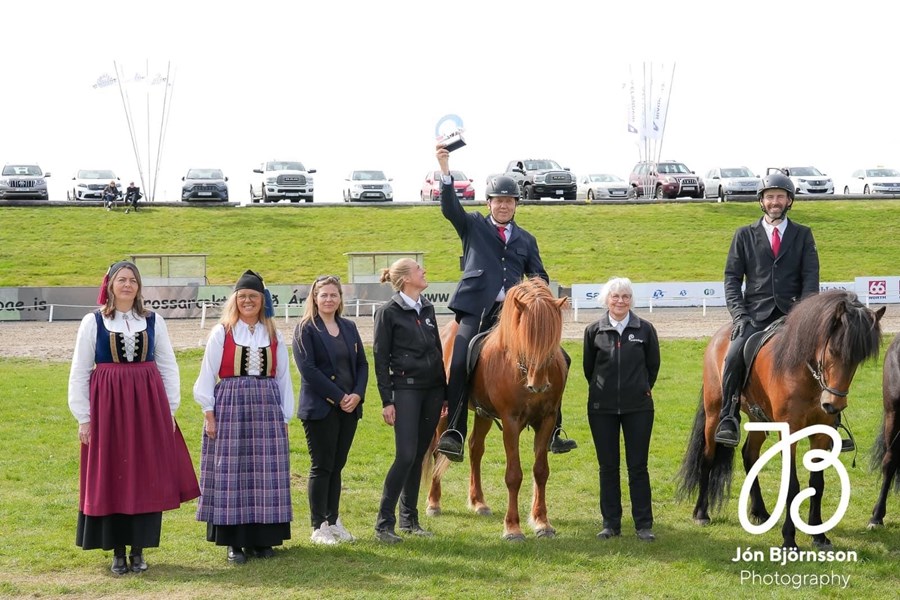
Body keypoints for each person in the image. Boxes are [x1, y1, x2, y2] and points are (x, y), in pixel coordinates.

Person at [434, 145, 576, 462]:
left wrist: (537, 296)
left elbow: (538, 274)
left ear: (515, 204)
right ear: (489, 203)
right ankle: (454, 432)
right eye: (498, 201)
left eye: (509, 201)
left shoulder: (526, 239)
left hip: (514, 314)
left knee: (560, 357)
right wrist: (445, 168)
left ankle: (555, 430)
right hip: (476, 310)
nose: (503, 205)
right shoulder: (472, 225)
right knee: (458, 361)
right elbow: (449, 209)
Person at [68, 260, 199, 575]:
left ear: (139, 287)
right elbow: (80, 369)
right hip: (107, 407)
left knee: (145, 474)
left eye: (132, 280)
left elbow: (167, 364)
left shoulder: (153, 320)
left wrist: (169, 410)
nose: (127, 285)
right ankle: (117, 551)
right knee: (112, 473)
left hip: (147, 405)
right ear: (111, 284)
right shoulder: (93, 321)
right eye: (121, 280)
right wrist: (84, 417)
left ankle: (139, 550)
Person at [193, 270, 294, 564]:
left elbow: (285, 378)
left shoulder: (274, 334)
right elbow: (206, 374)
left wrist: (285, 417)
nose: (247, 301)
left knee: (265, 472)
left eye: (253, 296)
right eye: (242, 296)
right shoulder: (222, 332)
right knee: (231, 472)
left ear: (263, 301)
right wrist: (209, 414)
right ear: (234, 301)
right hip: (231, 406)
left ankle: (263, 540)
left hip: (267, 406)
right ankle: (233, 542)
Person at [714, 173, 821, 448]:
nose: (775, 202)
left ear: (789, 201)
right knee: (734, 355)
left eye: (780, 197)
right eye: (770, 197)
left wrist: (804, 316)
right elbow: (732, 279)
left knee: (829, 354)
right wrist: (739, 314)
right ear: (762, 201)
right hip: (755, 315)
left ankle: (834, 417)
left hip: (794, 317)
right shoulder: (744, 235)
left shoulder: (803, 235)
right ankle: (728, 416)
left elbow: (811, 280)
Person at [372, 258, 445, 543]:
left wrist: (446, 393)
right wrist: (387, 400)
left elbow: (438, 350)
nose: (424, 271)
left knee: (419, 456)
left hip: (433, 391)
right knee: (405, 455)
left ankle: (409, 521)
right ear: (405, 279)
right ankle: (383, 524)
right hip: (405, 390)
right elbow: (380, 358)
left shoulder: (426, 307)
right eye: (418, 269)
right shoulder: (388, 312)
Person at [583, 277, 660, 542]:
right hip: (601, 409)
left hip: (638, 408)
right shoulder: (594, 331)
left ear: (631, 300)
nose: (620, 301)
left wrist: (640, 388)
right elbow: (588, 369)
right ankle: (610, 524)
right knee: (608, 467)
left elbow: (653, 367)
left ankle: (643, 525)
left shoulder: (645, 330)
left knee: (638, 466)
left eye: (625, 296)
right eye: (615, 296)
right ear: (607, 300)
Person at [293, 275, 368, 545]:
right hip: (320, 409)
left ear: (340, 298)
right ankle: (318, 526)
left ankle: (334, 519)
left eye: (333, 295)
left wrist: (357, 395)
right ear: (314, 298)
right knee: (322, 466)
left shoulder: (348, 326)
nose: (328, 299)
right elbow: (309, 370)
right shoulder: (305, 329)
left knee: (338, 466)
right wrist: (339, 397)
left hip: (349, 409)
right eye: (323, 295)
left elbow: (362, 364)